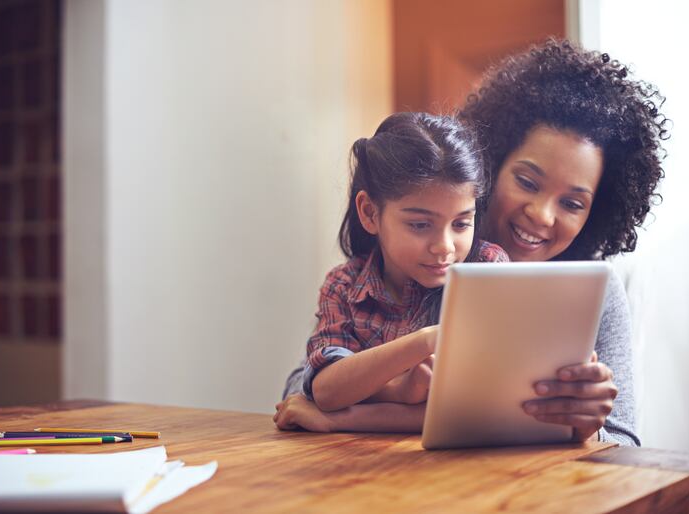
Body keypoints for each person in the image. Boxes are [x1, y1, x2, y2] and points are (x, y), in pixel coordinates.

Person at [275, 39, 668, 446]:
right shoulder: (410, 267)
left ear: (596, 212)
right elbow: (302, 391)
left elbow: (623, 446)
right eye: (527, 182)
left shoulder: (597, 292)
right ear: (489, 168)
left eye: (572, 203)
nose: (541, 214)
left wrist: (586, 424)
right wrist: (392, 389)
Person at [275, 111, 508, 421]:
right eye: (420, 224)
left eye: (461, 223)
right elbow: (326, 390)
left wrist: (344, 418)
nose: (445, 246)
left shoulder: (487, 270)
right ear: (370, 213)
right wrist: (424, 345)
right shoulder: (344, 285)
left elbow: (482, 410)